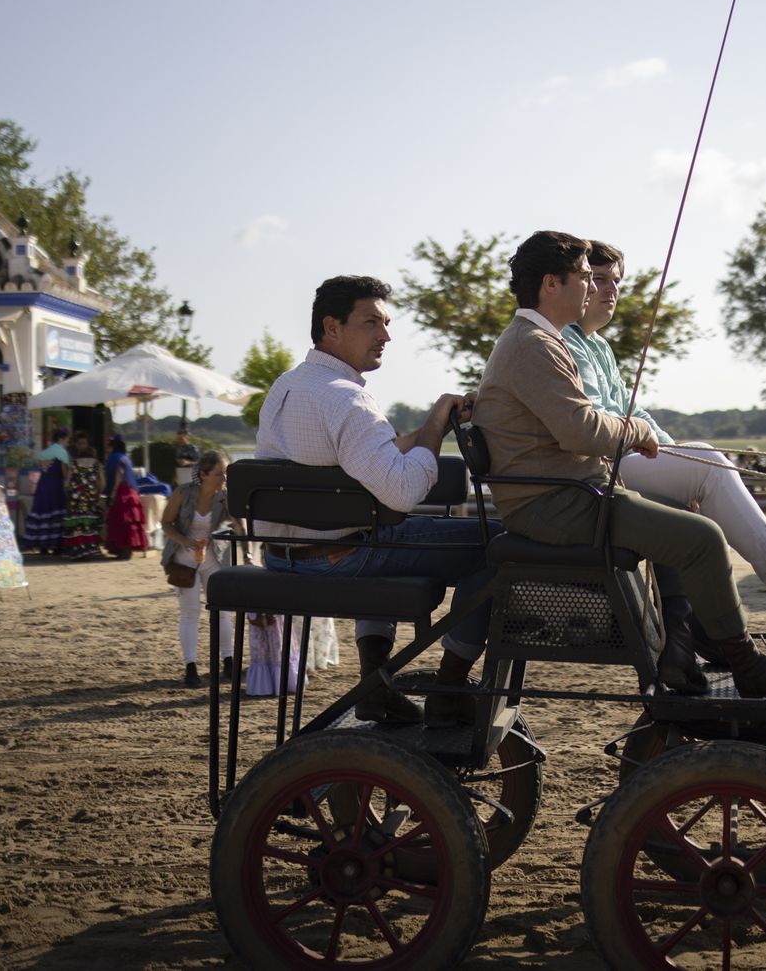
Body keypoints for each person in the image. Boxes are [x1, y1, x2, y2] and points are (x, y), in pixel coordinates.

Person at [473, 231, 766, 699]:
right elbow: (581, 431)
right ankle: (746, 666)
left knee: (677, 521)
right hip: (557, 504)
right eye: (584, 276)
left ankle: (683, 649)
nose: (593, 287)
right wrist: (638, 430)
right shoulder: (533, 344)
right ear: (551, 284)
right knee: (703, 539)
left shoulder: (539, 340)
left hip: (571, 495)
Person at [561, 241, 766, 643]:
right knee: (708, 462)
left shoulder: (598, 346)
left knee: (702, 463)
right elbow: (599, 422)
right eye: (599, 279)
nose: (610, 289)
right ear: (577, 284)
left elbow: (636, 413)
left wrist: (672, 455)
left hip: (618, 462)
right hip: (597, 472)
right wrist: (681, 462)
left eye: (616, 281)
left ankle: (701, 627)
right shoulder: (568, 340)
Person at [257, 274, 499, 726]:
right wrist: (436, 425)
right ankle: (449, 686)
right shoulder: (348, 400)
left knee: (379, 533)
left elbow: (370, 457)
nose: (386, 336)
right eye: (371, 322)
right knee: (497, 544)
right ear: (332, 327)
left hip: (280, 555)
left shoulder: (286, 387)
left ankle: (375, 681)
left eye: (386, 324)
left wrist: (429, 428)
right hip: (339, 557)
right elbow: (404, 493)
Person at [159, 449, 239, 687]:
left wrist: (240, 532)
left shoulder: (224, 497)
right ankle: (191, 666)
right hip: (184, 560)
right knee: (190, 612)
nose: (224, 479)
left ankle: (228, 661)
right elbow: (166, 523)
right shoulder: (183, 493)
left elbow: (239, 523)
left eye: (226, 474)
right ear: (203, 474)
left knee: (222, 611)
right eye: (219, 474)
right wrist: (184, 541)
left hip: (212, 557)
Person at [22, 428, 71, 553]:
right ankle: (56, 545)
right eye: (67, 440)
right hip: (55, 486)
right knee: (55, 513)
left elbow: (39, 465)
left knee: (42, 511)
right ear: (61, 439)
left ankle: (42, 545)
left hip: (42, 485)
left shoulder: (44, 452)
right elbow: (65, 474)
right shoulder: (62, 452)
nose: (68, 443)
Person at [60, 432, 106, 560]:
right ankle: (90, 548)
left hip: (76, 496)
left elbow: (68, 481)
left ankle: (77, 549)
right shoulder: (97, 464)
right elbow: (102, 482)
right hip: (90, 496)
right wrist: (98, 493)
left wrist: (68, 491)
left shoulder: (74, 463)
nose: (81, 446)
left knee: (76, 523)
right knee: (89, 522)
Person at [103, 435, 148, 559]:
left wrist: (112, 493)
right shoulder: (126, 457)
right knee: (130, 523)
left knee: (120, 522)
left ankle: (122, 550)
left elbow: (118, 474)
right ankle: (127, 550)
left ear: (112, 447)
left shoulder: (113, 457)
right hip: (132, 491)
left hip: (122, 491)